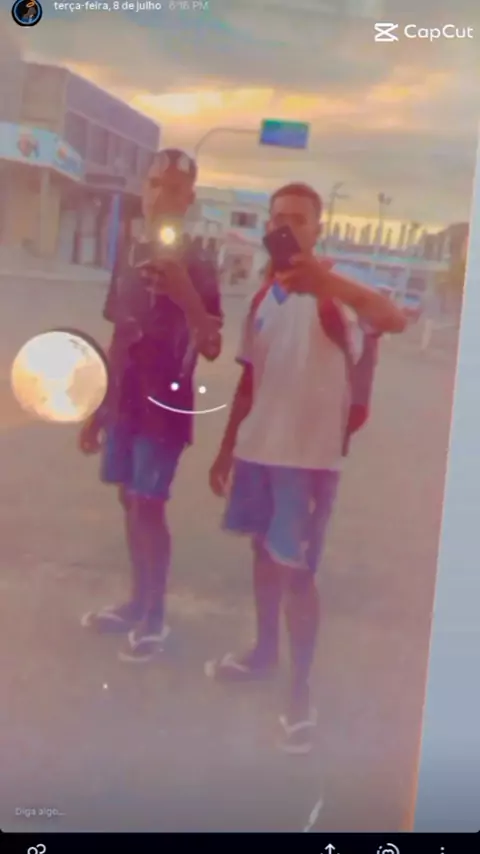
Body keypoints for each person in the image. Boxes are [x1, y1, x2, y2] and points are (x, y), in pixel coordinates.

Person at [205, 182, 406, 754]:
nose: (285, 227)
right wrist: (226, 449)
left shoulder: (340, 292)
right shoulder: (262, 298)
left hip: (308, 462)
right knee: (262, 555)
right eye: (278, 218)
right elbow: (250, 378)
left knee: (296, 574)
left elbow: (392, 319)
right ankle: (265, 654)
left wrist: (325, 282)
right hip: (257, 452)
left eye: (298, 218)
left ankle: (300, 693)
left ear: (318, 229)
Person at [79, 148, 222, 663]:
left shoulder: (199, 263)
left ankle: (155, 617)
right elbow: (119, 333)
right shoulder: (129, 253)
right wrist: (97, 405)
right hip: (124, 401)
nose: (162, 195)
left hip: (166, 407)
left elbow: (211, 345)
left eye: (174, 188)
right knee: (128, 500)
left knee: (149, 505)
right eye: (155, 183)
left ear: (189, 199)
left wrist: (185, 294)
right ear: (144, 189)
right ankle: (136, 602)